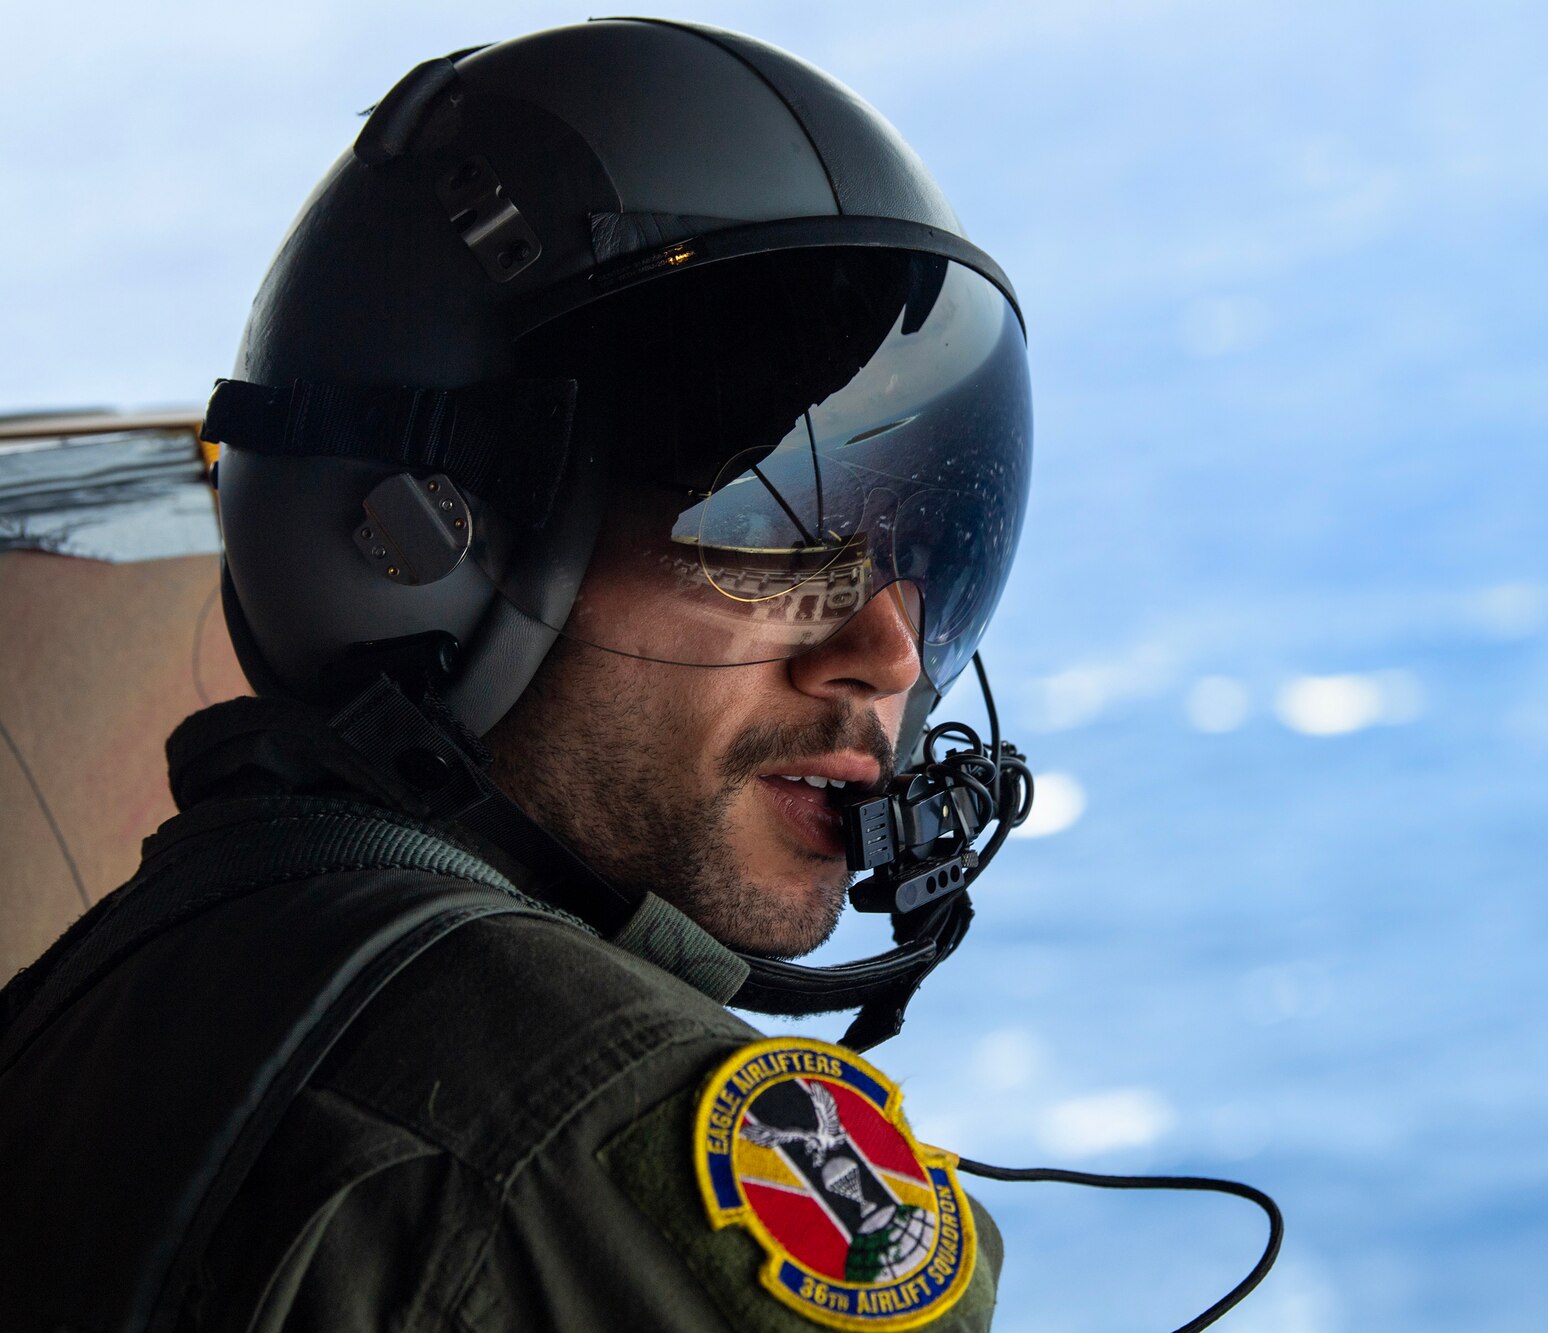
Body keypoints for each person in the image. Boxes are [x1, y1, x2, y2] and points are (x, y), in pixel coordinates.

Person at [0, 19, 1032, 1332]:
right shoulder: (589, 1124)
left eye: (919, 557)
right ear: (426, 547)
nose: (885, 656)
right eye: (768, 543)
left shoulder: (135, 976)